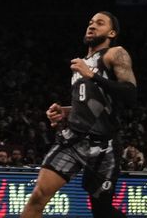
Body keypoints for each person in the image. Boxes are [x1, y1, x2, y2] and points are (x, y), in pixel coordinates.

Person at [21, 11, 137, 218]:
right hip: (73, 139)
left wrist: (91, 75)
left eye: (99, 23)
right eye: (90, 23)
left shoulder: (114, 53)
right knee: (38, 196)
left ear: (111, 32)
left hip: (104, 145)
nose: (92, 26)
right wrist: (64, 112)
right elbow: (91, 104)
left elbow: (130, 94)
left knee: (102, 212)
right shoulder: (81, 64)